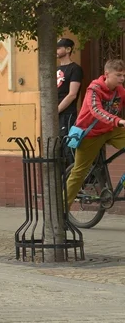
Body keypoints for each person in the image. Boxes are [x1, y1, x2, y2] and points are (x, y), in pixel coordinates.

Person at [64, 58, 125, 205]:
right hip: (89, 134)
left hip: (109, 130)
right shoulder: (94, 89)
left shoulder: (120, 90)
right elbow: (96, 110)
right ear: (107, 74)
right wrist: (119, 121)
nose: (122, 78)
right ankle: (61, 210)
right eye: (118, 75)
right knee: (79, 173)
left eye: (124, 75)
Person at [57, 38, 83, 136]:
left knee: (67, 146)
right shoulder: (55, 69)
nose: (56, 51)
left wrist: (57, 110)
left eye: (59, 48)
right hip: (54, 114)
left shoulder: (75, 69)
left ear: (68, 49)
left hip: (67, 114)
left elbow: (72, 94)